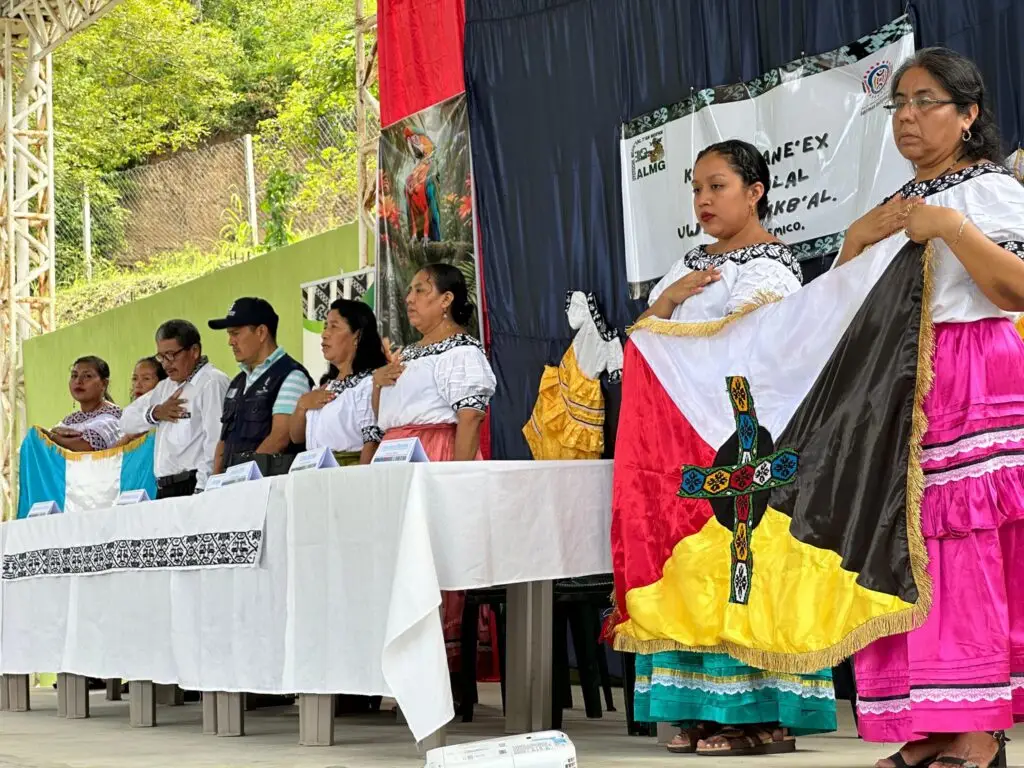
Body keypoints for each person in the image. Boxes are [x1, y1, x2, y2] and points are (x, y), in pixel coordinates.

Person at [833, 48, 1023, 768]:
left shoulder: (993, 194)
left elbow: (1016, 292)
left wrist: (951, 229)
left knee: (963, 549)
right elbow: (842, 312)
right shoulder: (895, 201)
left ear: (968, 115)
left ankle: (976, 731)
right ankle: (932, 724)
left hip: (972, 369)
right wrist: (856, 239)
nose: (907, 117)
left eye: (926, 102)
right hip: (897, 388)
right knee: (906, 552)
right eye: (899, 104)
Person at [633, 139, 837, 756]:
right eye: (696, 188)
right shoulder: (689, 265)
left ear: (755, 192)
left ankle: (756, 712)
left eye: (717, 186)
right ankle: (699, 708)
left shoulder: (770, 266)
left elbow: (753, 342)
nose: (702, 200)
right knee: (695, 566)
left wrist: (675, 319)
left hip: (745, 430)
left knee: (746, 561)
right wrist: (670, 300)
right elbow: (647, 336)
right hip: (688, 438)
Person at [374, 262, 496, 678]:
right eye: (409, 290)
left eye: (421, 290)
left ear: (446, 300)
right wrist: (377, 382)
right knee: (393, 563)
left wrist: (458, 480)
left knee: (429, 561)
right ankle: (393, 667)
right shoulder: (405, 354)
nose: (410, 298)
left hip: (436, 456)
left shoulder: (462, 352)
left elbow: (470, 417)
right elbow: (382, 417)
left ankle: (434, 669)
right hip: (397, 457)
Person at [119, 320, 231, 497]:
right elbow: (126, 422)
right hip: (164, 487)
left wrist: (203, 489)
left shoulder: (212, 382)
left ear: (194, 351)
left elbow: (215, 441)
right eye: (161, 357)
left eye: (172, 355)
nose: (166, 364)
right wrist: (155, 413)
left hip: (193, 484)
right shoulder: (165, 387)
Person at [209, 297, 313, 473]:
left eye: (235, 333)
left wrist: (242, 478)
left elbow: (280, 438)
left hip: (266, 489)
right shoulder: (238, 381)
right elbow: (224, 442)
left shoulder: (292, 376)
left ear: (262, 332)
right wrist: (216, 482)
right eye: (229, 334)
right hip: (234, 487)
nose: (230, 342)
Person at [288, 299, 387, 465]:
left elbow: (372, 442)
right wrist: (301, 406)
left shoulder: (369, 383)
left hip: (345, 474)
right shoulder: (327, 385)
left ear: (357, 334)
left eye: (334, 326)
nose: (325, 334)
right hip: (314, 471)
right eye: (325, 326)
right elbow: (296, 437)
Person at [43, 356, 122, 452]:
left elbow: (85, 446)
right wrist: (54, 433)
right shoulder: (72, 419)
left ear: (104, 384)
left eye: (87, 376)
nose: (78, 381)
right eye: (74, 376)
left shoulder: (113, 416)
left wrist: (50, 435)